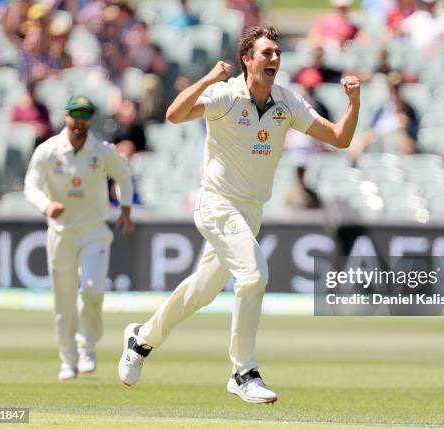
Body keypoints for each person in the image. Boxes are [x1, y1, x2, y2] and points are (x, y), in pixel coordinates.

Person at [117, 25, 360, 404]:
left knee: (201, 291)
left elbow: (340, 138)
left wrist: (353, 103)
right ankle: (243, 370)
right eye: (266, 53)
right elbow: (174, 114)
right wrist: (210, 78)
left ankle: (142, 339)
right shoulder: (226, 95)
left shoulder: (287, 103)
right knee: (254, 275)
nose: (275, 59)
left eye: (278, 53)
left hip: (250, 212)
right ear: (246, 59)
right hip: (216, 203)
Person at [24, 95, 135, 381]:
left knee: (91, 292)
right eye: (76, 115)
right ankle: (67, 359)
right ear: (66, 116)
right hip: (60, 233)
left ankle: (87, 348)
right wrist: (46, 206)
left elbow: (123, 175)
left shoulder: (101, 150)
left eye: (86, 115)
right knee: (63, 302)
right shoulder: (48, 150)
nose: (80, 121)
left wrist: (125, 209)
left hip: (94, 232)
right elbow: (31, 186)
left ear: (91, 119)